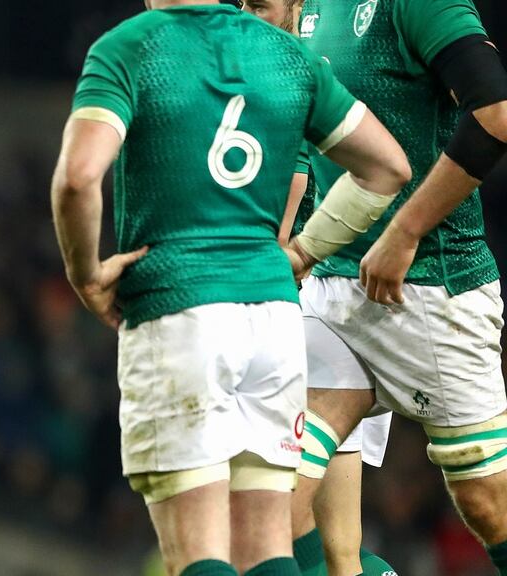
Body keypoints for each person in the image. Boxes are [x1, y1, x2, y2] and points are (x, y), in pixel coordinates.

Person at [51, 0, 411, 574]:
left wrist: (85, 273)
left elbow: (77, 177)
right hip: (274, 319)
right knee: (265, 544)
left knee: (196, 548)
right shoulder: (290, 56)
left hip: (180, 308)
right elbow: (387, 167)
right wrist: (302, 251)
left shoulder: (130, 46)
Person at [278, 0, 507, 574]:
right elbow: (310, 142)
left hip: (430, 290)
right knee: (269, 499)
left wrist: (406, 231)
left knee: (488, 507)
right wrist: (288, 250)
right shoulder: (309, 6)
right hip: (332, 293)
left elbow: (496, 112)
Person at [242, 1, 399, 574]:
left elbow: (298, 171)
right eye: (242, 3)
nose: (249, 13)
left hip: (315, 307)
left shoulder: (298, 70)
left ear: (299, 7)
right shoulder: (291, 62)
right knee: (336, 550)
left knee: (265, 517)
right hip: (331, 308)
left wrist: (266, 280)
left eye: (262, 4)